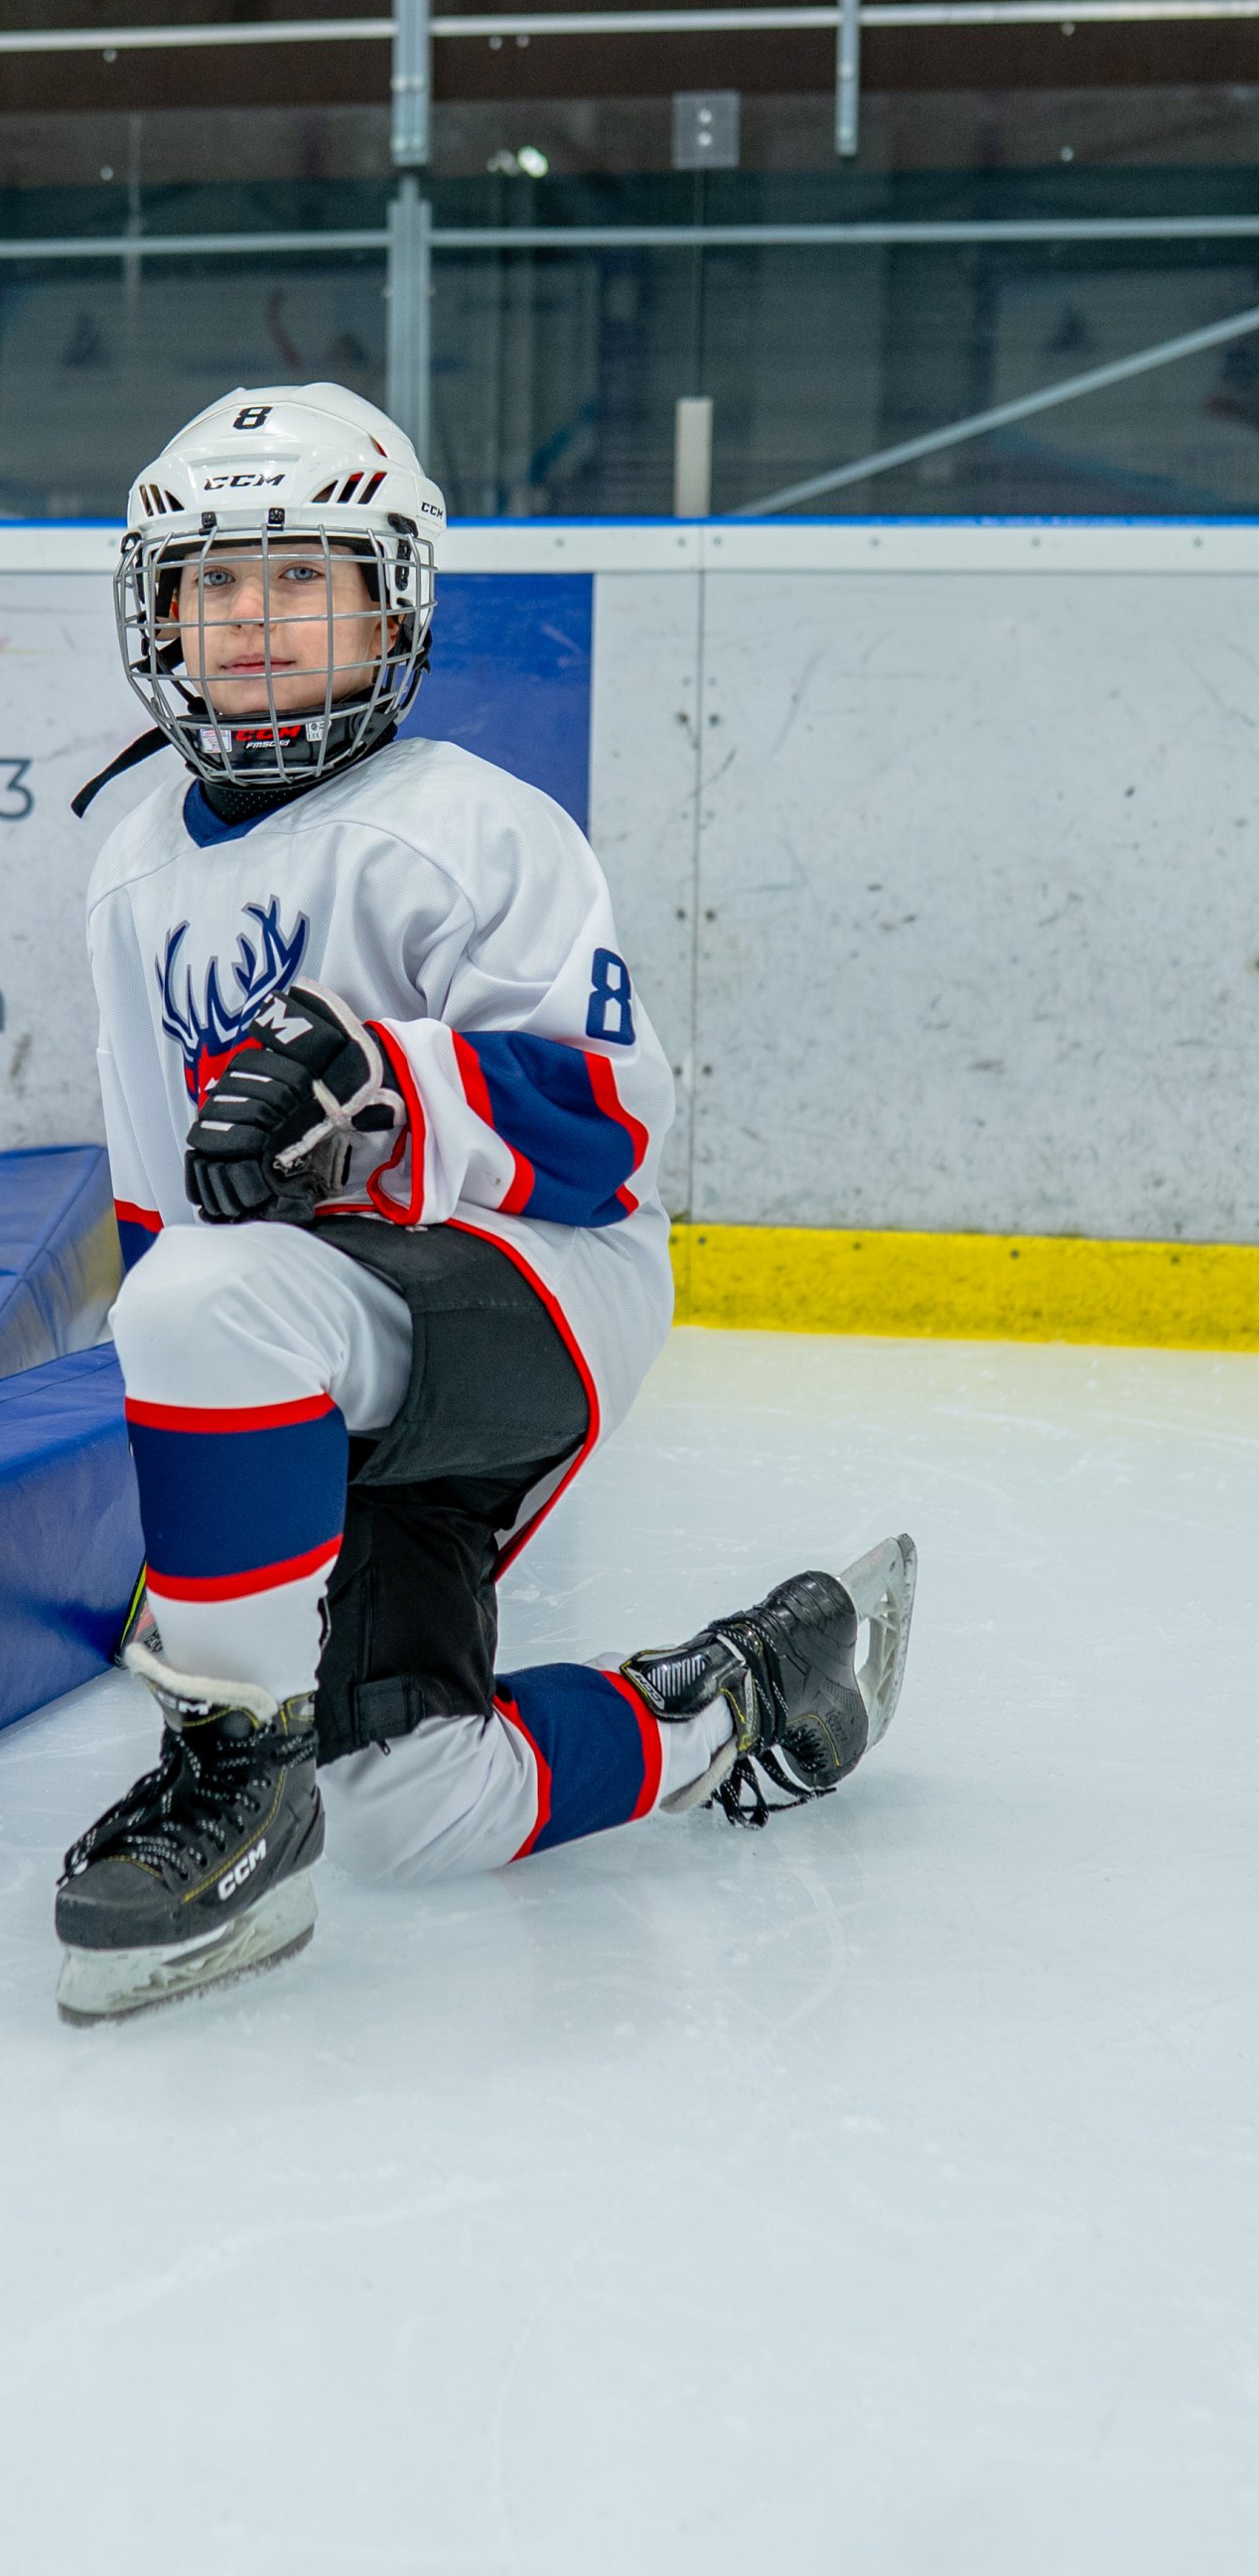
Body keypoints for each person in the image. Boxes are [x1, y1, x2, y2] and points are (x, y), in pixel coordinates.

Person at [57, 380, 915, 2024]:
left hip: (537, 1291)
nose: (251, 619)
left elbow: (608, 1131)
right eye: (213, 582)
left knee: (215, 1300)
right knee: (410, 1808)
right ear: (157, 615)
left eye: (299, 577)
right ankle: (742, 1695)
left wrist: (385, 1083)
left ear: (392, 605)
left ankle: (231, 1772)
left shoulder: (467, 828)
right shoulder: (132, 871)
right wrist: (214, 1538)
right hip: (300, 1342)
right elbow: (164, 1209)